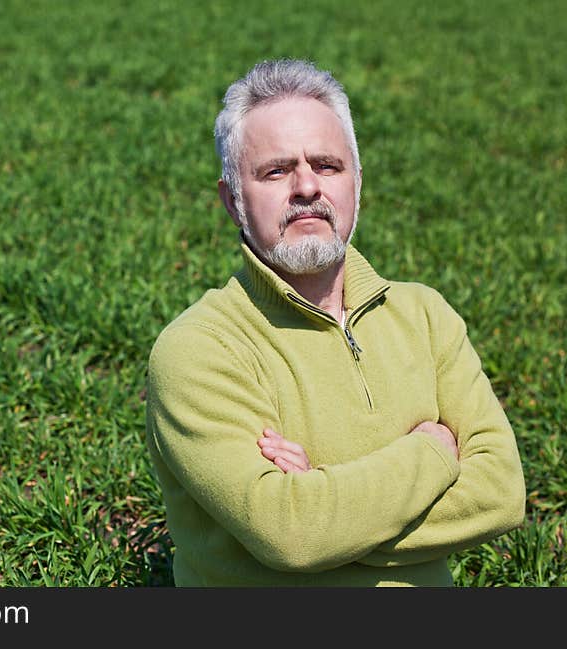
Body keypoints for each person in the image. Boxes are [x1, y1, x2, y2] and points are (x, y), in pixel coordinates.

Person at [144, 59, 526, 586]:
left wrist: (326, 504)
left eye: (327, 165)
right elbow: (291, 532)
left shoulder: (426, 316)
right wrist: (433, 453)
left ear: (357, 182)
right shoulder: (199, 350)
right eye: (275, 171)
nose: (306, 187)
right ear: (232, 200)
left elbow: (501, 493)